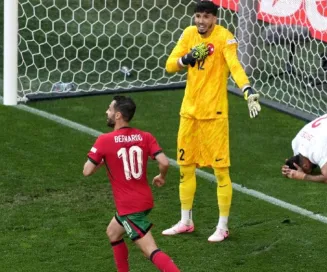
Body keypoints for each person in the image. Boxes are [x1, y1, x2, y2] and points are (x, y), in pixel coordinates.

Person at [162, 0, 261, 242]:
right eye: (198, 16)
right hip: (189, 114)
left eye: (206, 17)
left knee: (220, 172)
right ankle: (186, 221)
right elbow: (169, 66)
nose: (201, 21)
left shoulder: (224, 38)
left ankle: (223, 227)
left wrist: (247, 89)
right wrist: (187, 58)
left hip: (214, 116)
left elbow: (235, 66)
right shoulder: (188, 34)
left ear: (214, 18)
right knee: (185, 169)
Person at [83, 96, 180, 272]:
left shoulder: (104, 140)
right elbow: (164, 162)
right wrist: (161, 176)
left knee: (150, 250)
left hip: (129, 207)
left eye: (110, 109)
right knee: (113, 232)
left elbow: (87, 171)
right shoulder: (145, 136)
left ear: (118, 115)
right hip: (144, 201)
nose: (107, 112)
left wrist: (103, 159)